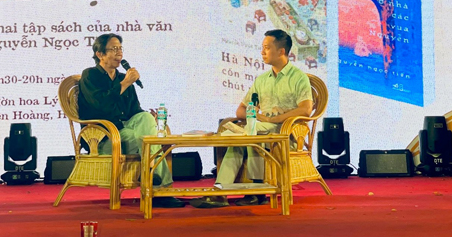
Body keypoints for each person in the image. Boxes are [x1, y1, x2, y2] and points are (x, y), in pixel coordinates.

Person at [190, 29, 313, 208]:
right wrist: (255, 114)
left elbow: (306, 109)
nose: (262, 52)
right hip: (260, 130)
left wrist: (276, 119)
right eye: (262, 47)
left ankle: (255, 192)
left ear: (281, 51)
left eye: (267, 48)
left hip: (285, 133)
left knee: (248, 135)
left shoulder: (298, 77)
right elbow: (240, 110)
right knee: (242, 138)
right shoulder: (262, 80)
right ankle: (220, 193)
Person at [78, 33, 185, 208]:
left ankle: (149, 171)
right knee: (150, 140)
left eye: (120, 48)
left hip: (125, 133)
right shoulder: (90, 75)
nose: (119, 52)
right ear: (100, 54)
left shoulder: (122, 78)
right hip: (103, 138)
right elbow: (102, 106)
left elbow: (135, 111)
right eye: (113, 49)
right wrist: (125, 84)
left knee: (146, 120)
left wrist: (151, 119)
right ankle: (159, 189)